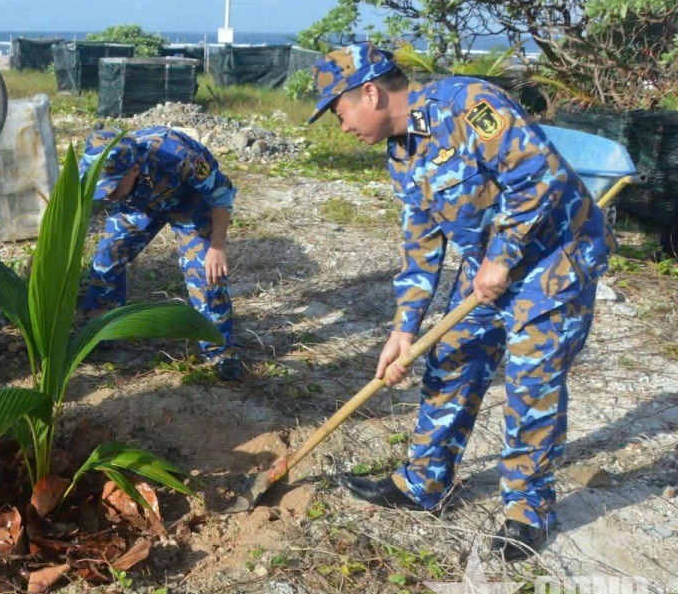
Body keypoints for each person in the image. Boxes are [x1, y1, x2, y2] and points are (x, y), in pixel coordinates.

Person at [309, 44, 614, 560]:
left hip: (554, 260)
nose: (341, 127)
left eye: (339, 113)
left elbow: (539, 177)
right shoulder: (402, 154)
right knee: (449, 360)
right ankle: (424, 484)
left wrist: (503, 254)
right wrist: (404, 328)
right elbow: (422, 243)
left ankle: (527, 512)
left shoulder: (470, 103)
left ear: (369, 92)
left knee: (529, 386)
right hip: (488, 271)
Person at [78, 126, 244, 381]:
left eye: (112, 186)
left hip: (188, 200)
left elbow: (220, 196)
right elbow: (69, 205)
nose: (106, 195)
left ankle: (219, 350)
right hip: (137, 204)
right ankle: (102, 331)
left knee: (205, 271)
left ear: (134, 168)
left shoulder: (177, 156)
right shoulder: (95, 169)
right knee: (106, 258)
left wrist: (217, 245)